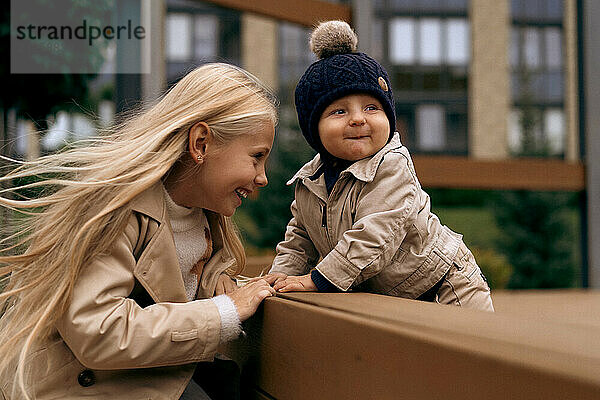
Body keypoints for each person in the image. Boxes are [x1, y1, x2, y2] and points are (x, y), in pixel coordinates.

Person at [0, 63, 278, 400]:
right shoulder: (117, 208)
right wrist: (225, 311)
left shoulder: (207, 220)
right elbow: (98, 329)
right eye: (257, 157)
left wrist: (224, 290)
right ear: (201, 143)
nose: (263, 177)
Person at [268, 21, 494, 311]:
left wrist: (319, 279)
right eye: (339, 111)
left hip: (444, 286)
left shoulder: (392, 166)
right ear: (314, 129)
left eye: (371, 108)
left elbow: (375, 235)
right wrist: (280, 275)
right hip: (393, 296)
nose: (358, 119)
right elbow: (300, 237)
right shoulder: (312, 179)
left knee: (470, 349)